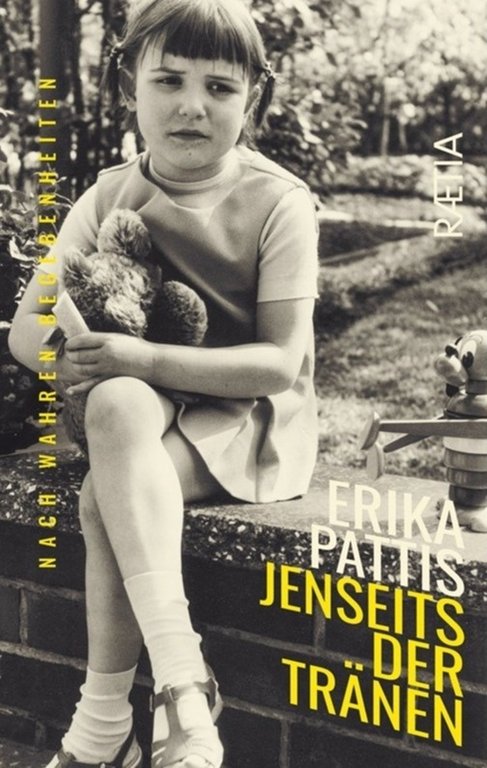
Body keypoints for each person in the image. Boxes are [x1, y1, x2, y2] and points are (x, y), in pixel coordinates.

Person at [9, 0, 319, 766]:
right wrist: (69, 358)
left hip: (248, 414)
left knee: (103, 495)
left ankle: (102, 730)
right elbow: (25, 334)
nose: (191, 106)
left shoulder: (277, 201)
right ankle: (182, 685)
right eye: (169, 80)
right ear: (130, 87)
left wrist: (142, 360)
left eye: (219, 87)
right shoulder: (107, 196)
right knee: (114, 402)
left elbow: (277, 363)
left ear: (253, 97)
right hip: (142, 414)